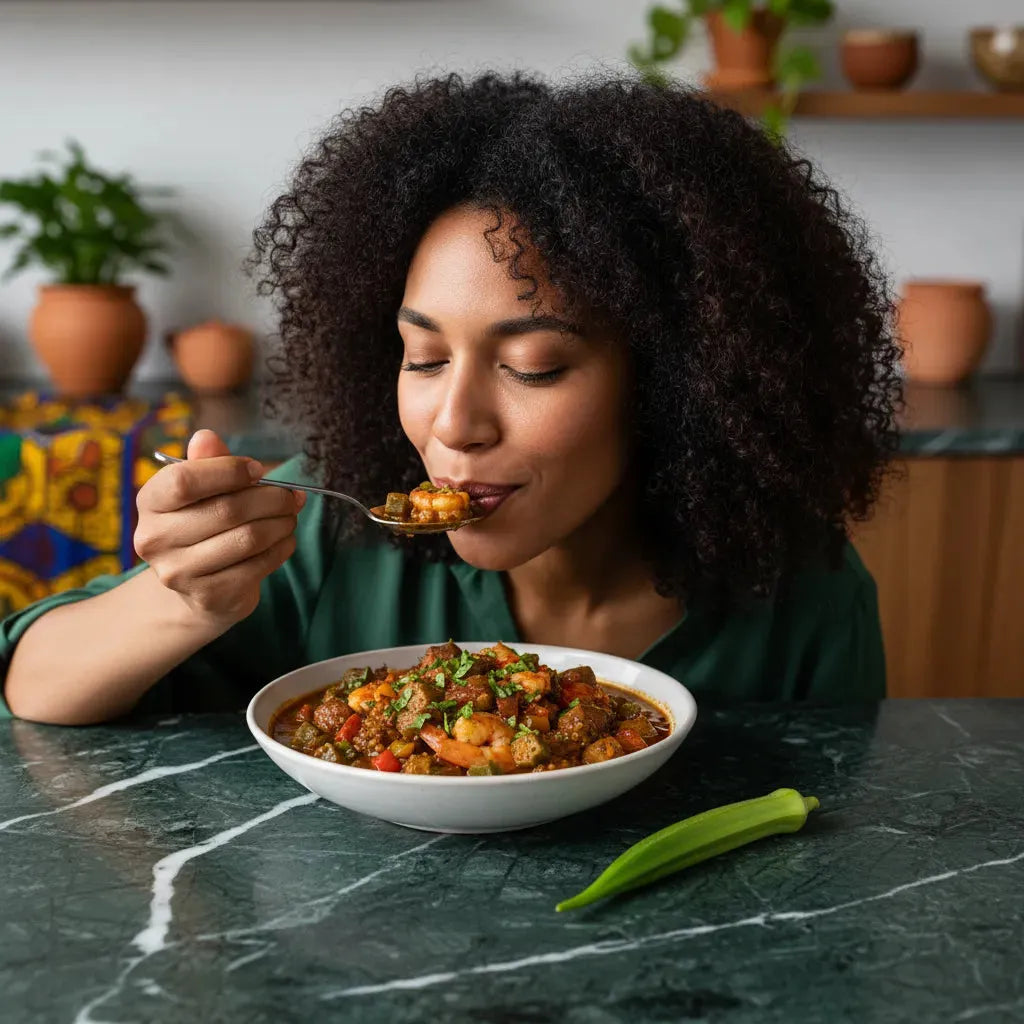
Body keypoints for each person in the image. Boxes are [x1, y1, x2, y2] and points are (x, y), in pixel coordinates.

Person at [1, 72, 901, 725]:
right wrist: (183, 600)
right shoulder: (328, 529)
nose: (453, 425)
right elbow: (33, 685)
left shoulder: (804, 596)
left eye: (535, 366)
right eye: (423, 358)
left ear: (678, 381)